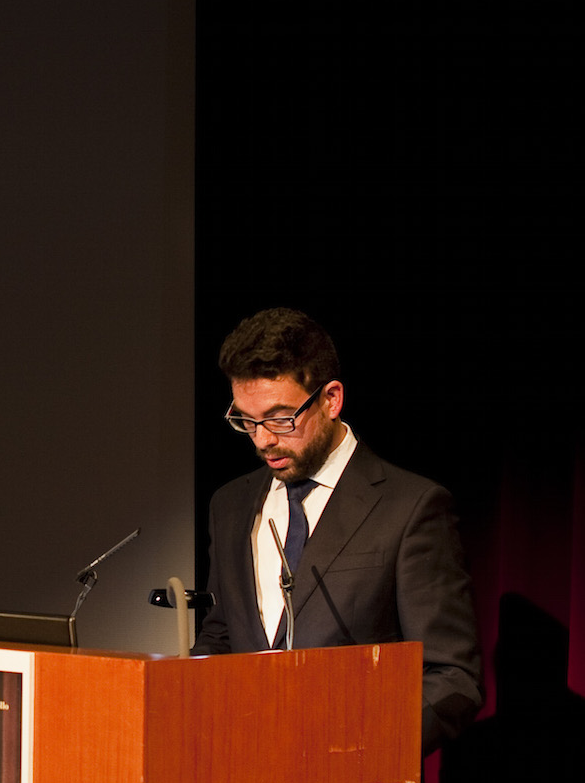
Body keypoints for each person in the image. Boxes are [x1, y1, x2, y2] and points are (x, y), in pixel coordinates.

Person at [191, 308, 482, 754]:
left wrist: (355, 747)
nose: (263, 439)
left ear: (331, 399)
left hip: (357, 779)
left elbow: (453, 678)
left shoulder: (411, 508)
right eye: (246, 420)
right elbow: (221, 638)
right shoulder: (229, 506)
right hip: (244, 775)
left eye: (280, 418)